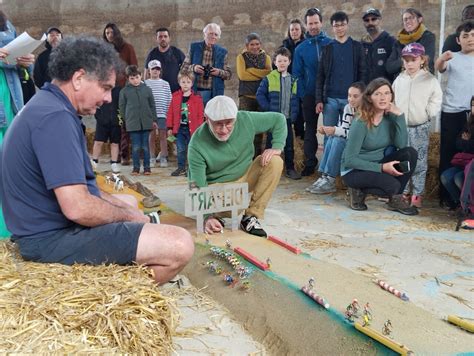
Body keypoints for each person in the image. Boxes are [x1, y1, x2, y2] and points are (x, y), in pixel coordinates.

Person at [0, 36, 193, 284]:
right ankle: (117, 299)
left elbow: (81, 188)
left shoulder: (49, 106)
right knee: (180, 244)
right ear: (78, 79)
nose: (109, 98)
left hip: (43, 228)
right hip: (49, 241)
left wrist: (128, 211)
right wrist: (129, 218)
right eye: (105, 87)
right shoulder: (55, 119)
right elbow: (77, 207)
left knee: (129, 203)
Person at [188, 95, 287, 237]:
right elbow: (196, 185)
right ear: (207, 118)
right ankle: (216, 215)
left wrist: (277, 146)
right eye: (218, 124)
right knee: (237, 202)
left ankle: (251, 217)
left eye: (229, 123)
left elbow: (279, 119)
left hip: (244, 176)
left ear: (235, 117)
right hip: (217, 185)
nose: (224, 129)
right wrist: (206, 216)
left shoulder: (245, 119)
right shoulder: (197, 143)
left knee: (275, 162)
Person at [340, 78, 418, 215]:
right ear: (369, 98)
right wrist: (382, 168)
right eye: (377, 94)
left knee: (410, 153)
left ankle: (395, 198)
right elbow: (349, 160)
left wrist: (400, 116)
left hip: (377, 166)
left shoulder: (390, 119)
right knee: (392, 185)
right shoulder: (361, 122)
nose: (383, 98)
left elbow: (401, 145)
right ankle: (356, 189)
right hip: (354, 171)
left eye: (387, 93)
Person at [392, 43, 442, 208]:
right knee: (403, 159)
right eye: (406, 60)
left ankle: (417, 194)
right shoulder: (399, 80)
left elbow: (436, 99)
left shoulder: (430, 80)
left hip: (420, 126)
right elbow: (393, 98)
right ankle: (404, 191)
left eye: (413, 60)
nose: (409, 64)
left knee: (419, 161)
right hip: (402, 127)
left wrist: (428, 113)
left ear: (422, 60)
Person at [0, 11, 35, 238]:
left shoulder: (6, 23)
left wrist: (27, 62)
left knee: (9, 168)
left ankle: (9, 230)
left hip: (10, 103)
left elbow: (20, 64)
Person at [436, 21, 474, 208]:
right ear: (458, 40)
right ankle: (446, 197)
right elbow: (439, 67)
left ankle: (466, 196)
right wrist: (442, 58)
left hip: (472, 113)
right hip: (452, 111)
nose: (470, 39)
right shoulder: (454, 57)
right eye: (465, 36)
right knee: (448, 152)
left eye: (473, 35)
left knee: (468, 151)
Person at [315, 11, 367, 145]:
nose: (339, 28)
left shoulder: (357, 47)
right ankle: (327, 166)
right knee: (329, 134)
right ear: (332, 28)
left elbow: (363, 73)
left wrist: (361, 97)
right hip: (330, 100)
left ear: (347, 25)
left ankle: (346, 164)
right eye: (336, 25)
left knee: (350, 135)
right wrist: (319, 100)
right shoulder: (327, 49)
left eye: (342, 25)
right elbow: (320, 75)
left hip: (350, 100)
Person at [293, 8, 331, 176]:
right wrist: (302, 94)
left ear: (321, 23)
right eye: (310, 23)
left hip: (329, 93)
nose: (313, 26)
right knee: (310, 129)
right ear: (306, 26)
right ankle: (310, 162)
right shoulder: (300, 49)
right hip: (309, 94)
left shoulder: (330, 43)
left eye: (316, 22)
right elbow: (297, 74)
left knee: (331, 128)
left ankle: (329, 164)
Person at [309, 81, 365, 194]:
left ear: (363, 96)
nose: (351, 99)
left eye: (355, 96)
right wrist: (331, 130)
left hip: (363, 144)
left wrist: (334, 130)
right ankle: (324, 176)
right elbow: (344, 128)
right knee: (332, 138)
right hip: (352, 141)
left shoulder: (367, 111)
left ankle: (330, 179)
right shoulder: (348, 108)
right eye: (349, 96)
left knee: (339, 140)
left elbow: (360, 136)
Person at [257, 47, 300, 180]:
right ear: (275, 62)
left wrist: (294, 114)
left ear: (289, 62)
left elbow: (296, 99)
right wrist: (269, 109)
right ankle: (267, 169)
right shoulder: (269, 78)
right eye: (279, 61)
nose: (282, 63)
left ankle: (290, 168)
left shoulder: (293, 80)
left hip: (286, 118)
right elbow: (260, 95)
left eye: (285, 61)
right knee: (271, 143)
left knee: (288, 144)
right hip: (273, 119)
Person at [103, 23, 138, 166]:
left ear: (116, 33)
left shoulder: (127, 48)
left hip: (123, 89)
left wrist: (129, 83)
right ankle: (114, 154)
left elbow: (133, 67)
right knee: (112, 122)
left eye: (111, 32)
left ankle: (125, 154)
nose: (109, 35)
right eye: (106, 33)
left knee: (123, 122)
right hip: (108, 89)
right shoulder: (104, 50)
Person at [236, 32, 272, 156]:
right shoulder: (241, 57)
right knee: (244, 127)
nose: (255, 46)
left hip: (261, 97)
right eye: (252, 44)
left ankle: (256, 156)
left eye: (257, 44)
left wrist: (250, 70)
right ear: (247, 45)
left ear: (260, 44)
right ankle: (243, 156)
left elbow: (269, 73)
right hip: (246, 97)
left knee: (259, 129)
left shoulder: (266, 57)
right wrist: (260, 73)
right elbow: (242, 75)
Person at [181, 23, 232, 106]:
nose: (213, 36)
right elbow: (183, 68)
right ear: (204, 34)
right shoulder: (194, 48)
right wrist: (194, 68)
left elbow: (229, 74)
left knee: (213, 118)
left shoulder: (222, 52)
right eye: (210, 33)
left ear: (218, 37)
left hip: (214, 93)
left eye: (216, 34)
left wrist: (218, 72)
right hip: (195, 90)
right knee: (195, 117)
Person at [119, 65, 156, 175]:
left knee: (145, 146)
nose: (135, 80)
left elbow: (152, 105)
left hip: (146, 122)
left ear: (141, 76)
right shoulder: (124, 92)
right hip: (133, 123)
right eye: (132, 78)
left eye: (137, 77)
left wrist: (153, 119)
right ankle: (135, 168)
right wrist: (127, 120)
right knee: (135, 147)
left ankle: (147, 168)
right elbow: (122, 107)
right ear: (128, 79)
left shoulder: (147, 90)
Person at [166, 70, 204, 177]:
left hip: (193, 129)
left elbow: (200, 115)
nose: (185, 84)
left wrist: (200, 128)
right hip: (179, 129)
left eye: (188, 82)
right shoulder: (175, 96)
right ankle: (181, 167)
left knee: (191, 149)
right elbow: (170, 112)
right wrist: (169, 127)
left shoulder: (197, 98)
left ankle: (191, 168)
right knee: (181, 149)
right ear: (179, 83)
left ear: (192, 83)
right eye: (183, 82)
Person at [441, 98, 474, 209]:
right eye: (473, 105)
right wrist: (466, 143)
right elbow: (458, 143)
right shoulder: (469, 123)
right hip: (465, 164)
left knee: (459, 178)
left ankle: (469, 207)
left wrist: (467, 142)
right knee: (446, 176)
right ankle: (460, 205)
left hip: (472, 168)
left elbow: (466, 144)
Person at [386, 8, 435, 77]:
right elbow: (389, 67)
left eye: (411, 18)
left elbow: (426, 61)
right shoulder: (399, 42)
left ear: (420, 19)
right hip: (402, 82)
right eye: (405, 19)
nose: (408, 21)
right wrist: (409, 61)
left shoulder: (427, 37)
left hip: (422, 80)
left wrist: (402, 62)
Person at [281, 19, 306, 139]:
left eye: (297, 29)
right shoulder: (284, 47)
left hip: (303, 85)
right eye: (292, 29)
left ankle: (301, 141)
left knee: (302, 116)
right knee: (291, 115)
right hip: (288, 86)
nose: (294, 32)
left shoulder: (307, 45)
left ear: (301, 31)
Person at [144, 60, 171, 168]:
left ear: (160, 71)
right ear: (149, 71)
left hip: (162, 114)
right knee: (151, 136)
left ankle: (163, 157)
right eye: (153, 69)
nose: (155, 71)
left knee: (162, 136)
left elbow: (169, 98)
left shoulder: (165, 84)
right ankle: (151, 157)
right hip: (150, 115)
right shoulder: (145, 83)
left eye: (158, 69)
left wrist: (168, 113)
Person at [144, 27, 185, 93]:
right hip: (158, 92)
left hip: (176, 92)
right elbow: (146, 74)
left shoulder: (177, 53)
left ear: (169, 38)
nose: (163, 39)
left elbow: (186, 71)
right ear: (156, 39)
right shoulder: (152, 54)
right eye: (160, 37)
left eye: (165, 36)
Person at [90, 86, 122, 173]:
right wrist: (98, 116)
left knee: (115, 143)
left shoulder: (119, 90)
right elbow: (94, 104)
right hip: (102, 121)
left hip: (115, 122)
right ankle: (94, 161)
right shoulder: (100, 89)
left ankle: (114, 163)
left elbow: (122, 104)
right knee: (98, 142)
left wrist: (120, 118)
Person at [360, 8, 395, 82]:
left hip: (385, 89)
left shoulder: (391, 41)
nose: (370, 23)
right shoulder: (362, 44)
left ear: (380, 21)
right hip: (367, 90)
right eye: (367, 20)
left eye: (373, 19)